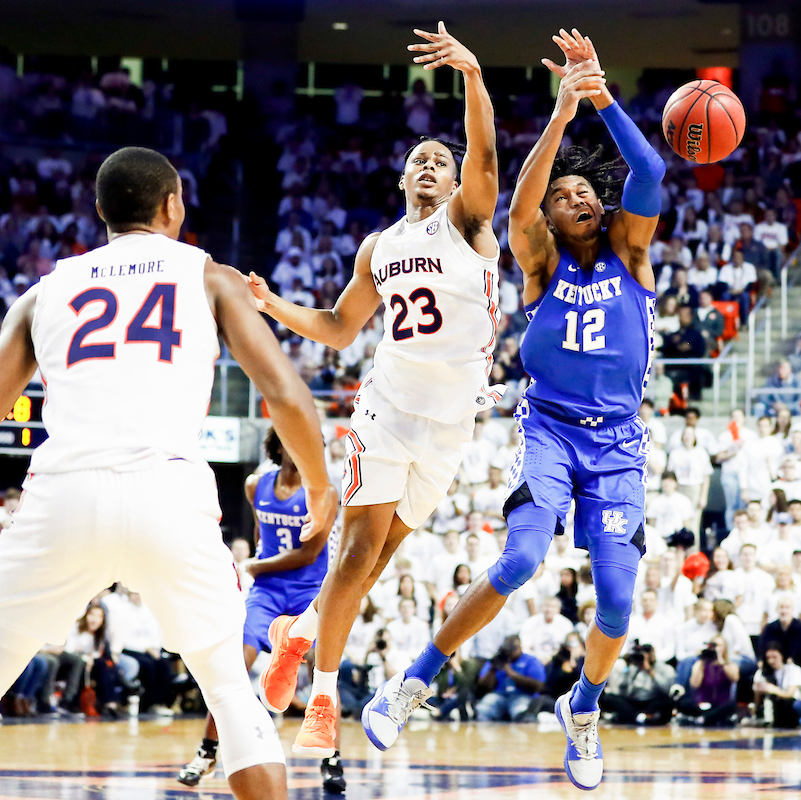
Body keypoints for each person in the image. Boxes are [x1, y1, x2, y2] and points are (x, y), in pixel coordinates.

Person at [0, 147, 335, 800]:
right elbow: (290, 400)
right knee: (231, 695)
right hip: (168, 493)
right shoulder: (208, 276)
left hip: (63, 492)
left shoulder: (47, 290)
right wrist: (320, 489)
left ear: (100, 211)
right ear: (172, 205)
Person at [368, 29, 663, 791]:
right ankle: (415, 679)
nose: (578, 198)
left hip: (622, 445)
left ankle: (584, 708)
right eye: (565, 198)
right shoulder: (539, 265)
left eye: (586, 193)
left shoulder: (633, 255)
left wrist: (599, 94)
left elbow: (652, 166)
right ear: (552, 226)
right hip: (552, 431)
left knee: (620, 601)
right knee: (523, 558)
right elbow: (522, 200)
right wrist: (561, 114)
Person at [248, 24, 503, 760]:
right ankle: (322, 699)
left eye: (441, 160)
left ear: (456, 184)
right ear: (402, 179)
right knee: (356, 557)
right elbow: (336, 326)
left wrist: (473, 75)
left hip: (449, 428)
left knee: (371, 564)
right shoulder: (379, 247)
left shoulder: (469, 225)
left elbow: (484, 151)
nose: (431, 163)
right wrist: (274, 306)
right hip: (387, 411)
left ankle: (295, 636)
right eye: (418, 158)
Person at [178, 427, 339, 791]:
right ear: (279, 445)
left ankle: (332, 758)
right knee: (232, 667)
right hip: (267, 592)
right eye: (298, 441)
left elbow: (309, 554)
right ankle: (206, 753)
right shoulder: (256, 485)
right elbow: (258, 536)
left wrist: (254, 566)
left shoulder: (324, 493)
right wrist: (258, 565)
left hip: (309, 590)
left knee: (323, 667)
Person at [474, 634, 545, 721]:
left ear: (520, 647)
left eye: (513, 648)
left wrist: (511, 673)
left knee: (520, 712)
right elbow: (482, 686)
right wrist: (492, 670)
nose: (510, 652)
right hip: (499, 695)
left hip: (522, 695)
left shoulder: (531, 661)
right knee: (484, 709)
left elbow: (538, 686)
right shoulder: (498, 660)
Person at [679, 636, 739, 726]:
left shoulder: (730, 665)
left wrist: (720, 660)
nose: (715, 648)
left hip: (720, 704)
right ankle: (707, 718)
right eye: (713, 645)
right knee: (683, 703)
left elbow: (735, 678)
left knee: (731, 705)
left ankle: (702, 719)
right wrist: (702, 661)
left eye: (718, 645)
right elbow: (694, 684)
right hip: (703, 704)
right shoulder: (700, 664)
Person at [752, 642, 801, 727]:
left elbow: (790, 694)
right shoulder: (763, 672)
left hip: (790, 706)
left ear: (782, 656)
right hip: (771, 706)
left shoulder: (794, 669)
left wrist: (772, 689)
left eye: (774, 657)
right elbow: (756, 694)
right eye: (768, 657)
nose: (771, 661)